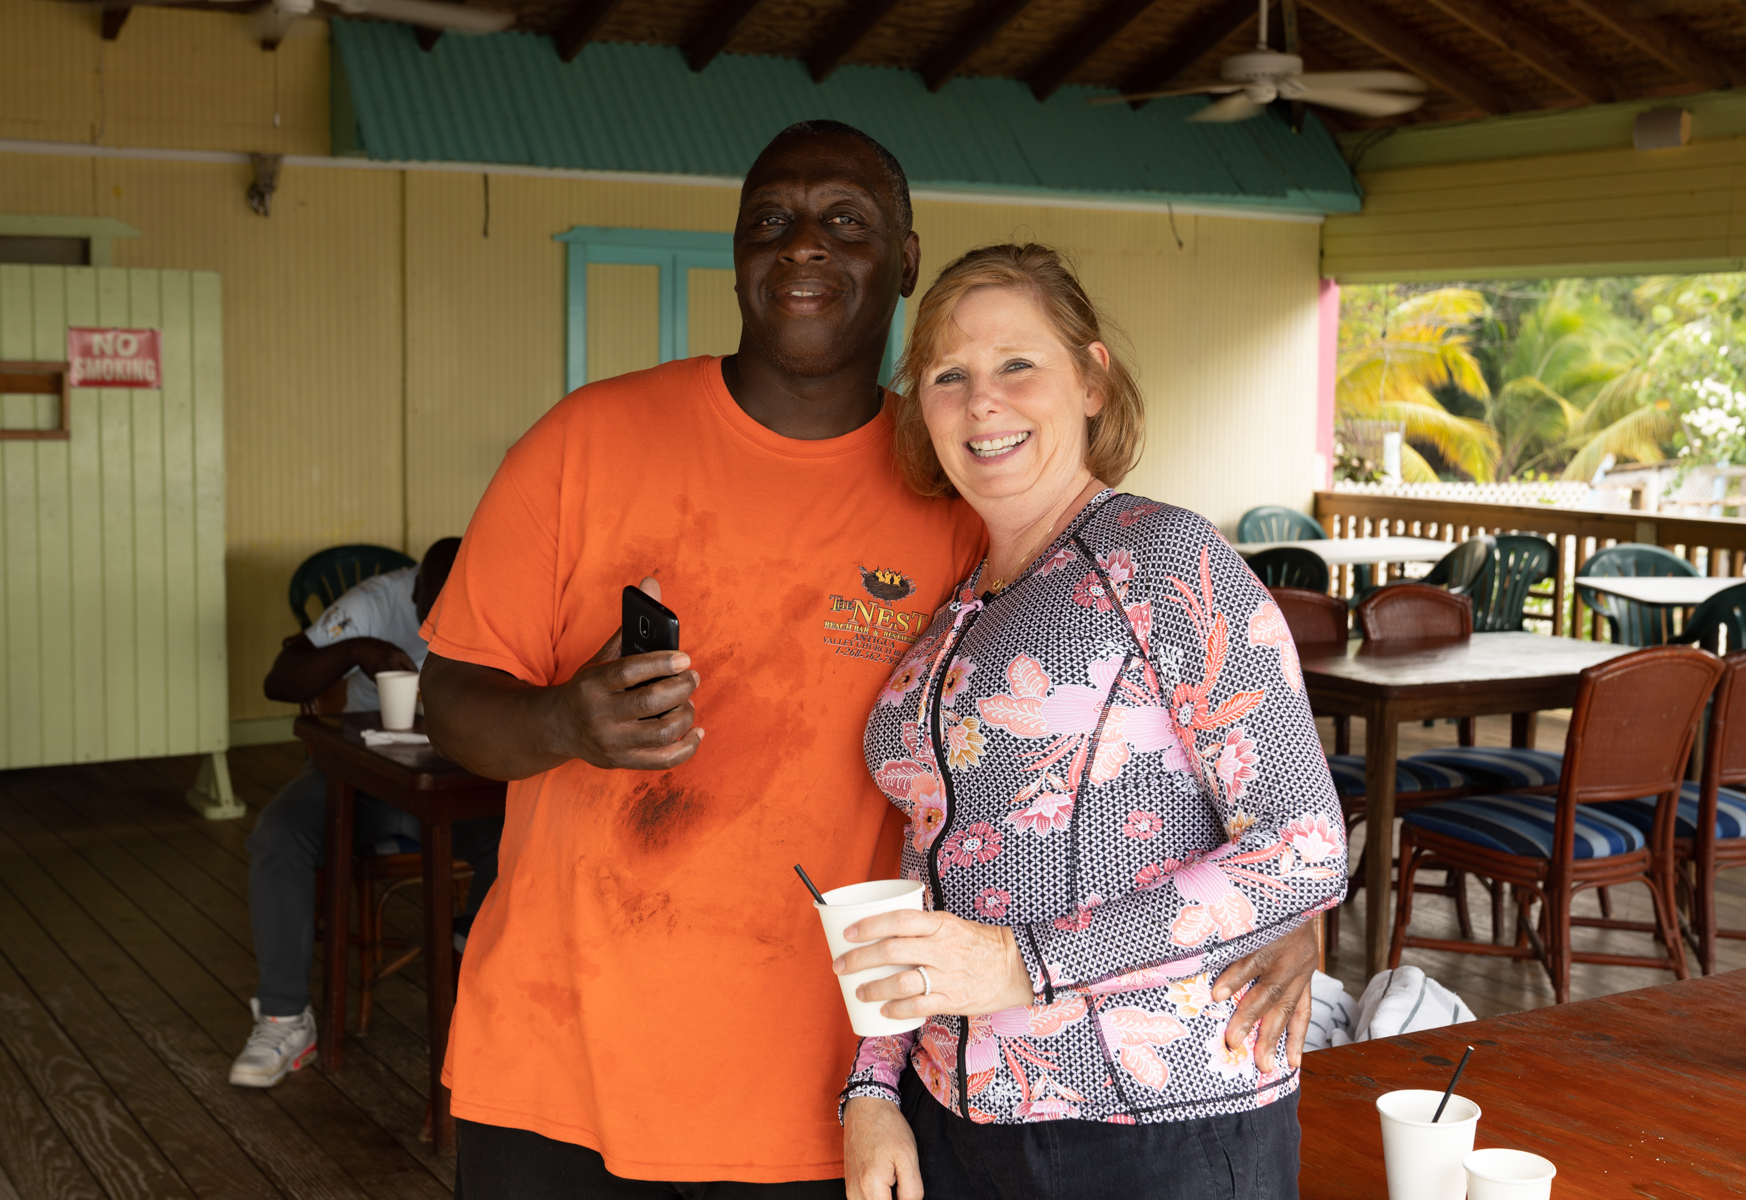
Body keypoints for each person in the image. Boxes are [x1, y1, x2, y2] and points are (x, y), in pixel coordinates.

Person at [420, 123, 1324, 1197]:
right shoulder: (593, 443)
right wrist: (566, 723)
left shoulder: (1053, 525)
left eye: (845, 221)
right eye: (770, 220)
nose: (802, 246)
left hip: (952, 1098)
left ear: (903, 256)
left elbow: (1281, 814)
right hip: (605, 1067)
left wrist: (1295, 911)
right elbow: (938, 845)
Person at [836, 244, 1347, 1200]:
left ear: (1093, 382)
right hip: (959, 1118)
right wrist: (874, 1085)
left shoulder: (1164, 558)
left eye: (1017, 364)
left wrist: (1023, 963)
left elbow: (1305, 847)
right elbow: (931, 855)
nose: (982, 401)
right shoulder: (955, 609)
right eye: (949, 375)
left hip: (1156, 1122)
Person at [229, 537, 502, 1088]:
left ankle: (476, 977)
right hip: (363, 780)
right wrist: (356, 651)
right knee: (279, 835)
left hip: (460, 784)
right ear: (414, 588)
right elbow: (280, 680)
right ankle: (284, 1019)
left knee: (526, 838)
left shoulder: (496, 600)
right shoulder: (375, 602)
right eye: (431, 611)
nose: (440, 626)